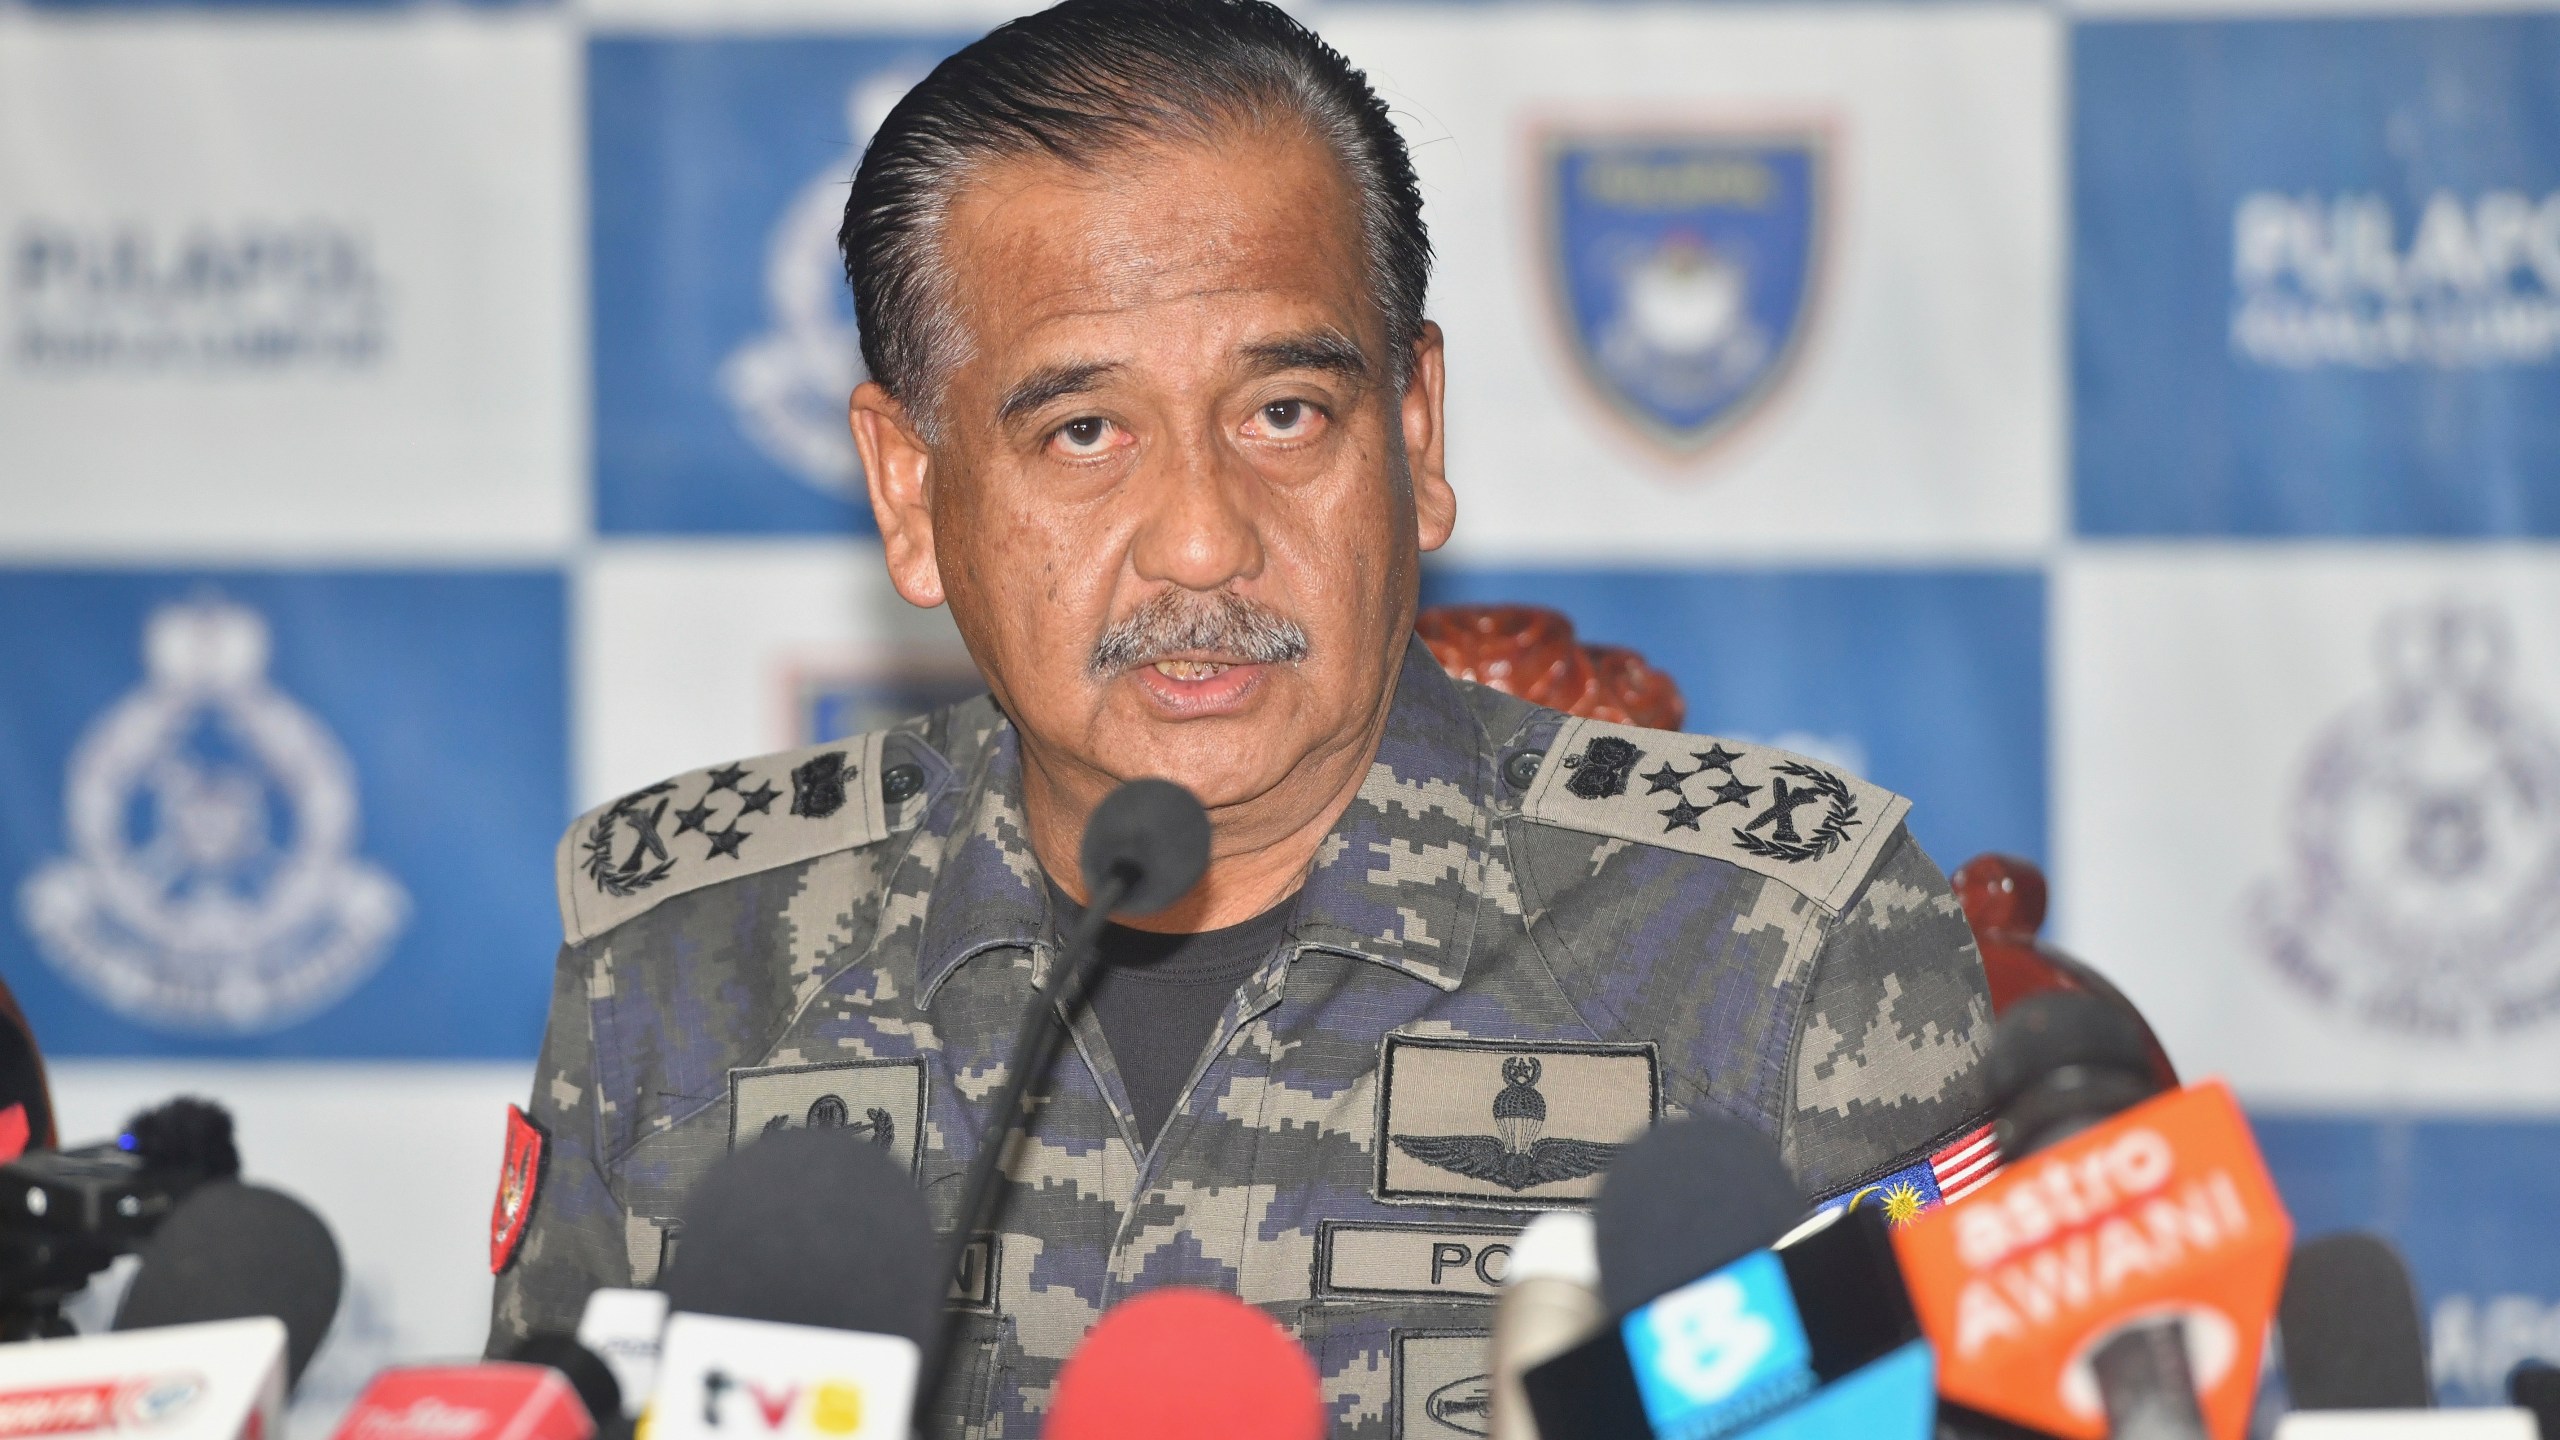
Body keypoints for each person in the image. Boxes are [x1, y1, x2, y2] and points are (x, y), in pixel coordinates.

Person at [488, 2, 1997, 1433]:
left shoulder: (1773, 945)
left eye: (1285, 413)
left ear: (1414, 432)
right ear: (910, 489)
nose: (1202, 539)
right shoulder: (688, 965)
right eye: (1084, 432)